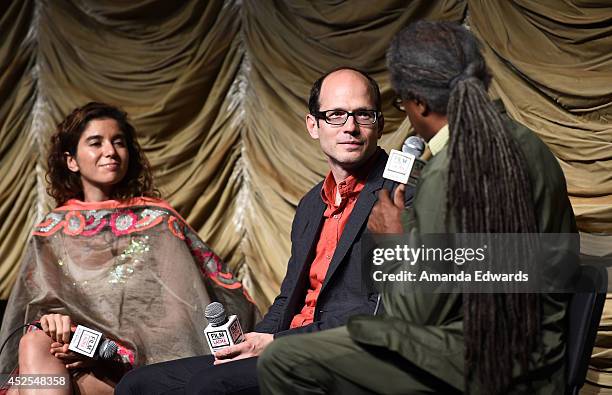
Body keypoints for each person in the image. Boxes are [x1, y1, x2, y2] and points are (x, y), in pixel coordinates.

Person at [257, 21, 578, 395]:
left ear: (418, 102)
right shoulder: (530, 145)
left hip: (490, 367)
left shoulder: (446, 172)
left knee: (286, 360)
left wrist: (393, 243)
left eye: (400, 104)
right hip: (540, 353)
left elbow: (415, 318)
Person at [116, 67, 408, 394]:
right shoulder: (312, 203)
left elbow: (384, 310)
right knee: (138, 385)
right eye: (336, 114)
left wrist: (275, 342)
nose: (350, 127)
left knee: (210, 386)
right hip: (286, 346)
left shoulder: (400, 195)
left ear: (380, 124)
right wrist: (249, 342)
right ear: (314, 125)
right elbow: (289, 299)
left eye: (363, 115)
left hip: (343, 354)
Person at [0, 102, 258, 394]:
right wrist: (64, 334)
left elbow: (182, 316)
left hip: (136, 364)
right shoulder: (52, 229)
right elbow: (37, 306)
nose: (110, 151)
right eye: (96, 142)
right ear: (71, 160)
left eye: (118, 142)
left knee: (30, 381)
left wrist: (106, 352)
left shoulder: (157, 221)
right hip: (66, 360)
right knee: (34, 343)